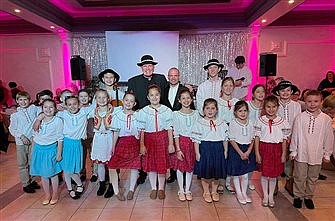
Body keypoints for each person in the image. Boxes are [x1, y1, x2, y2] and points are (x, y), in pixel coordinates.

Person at [127, 54, 168, 185]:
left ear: (153, 67)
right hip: (142, 119)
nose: (147, 68)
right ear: (141, 67)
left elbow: (167, 96)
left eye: (150, 65)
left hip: (158, 118)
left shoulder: (161, 79)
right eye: (145, 66)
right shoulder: (133, 81)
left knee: (161, 149)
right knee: (142, 148)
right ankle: (143, 173)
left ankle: (166, 173)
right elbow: (130, 100)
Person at [290, 90, 334, 209]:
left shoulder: (326, 119)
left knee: (313, 177)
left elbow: (329, 137)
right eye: (309, 101)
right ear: (305, 102)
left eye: (316, 101)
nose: (312, 104)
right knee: (299, 176)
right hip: (302, 153)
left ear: (321, 102)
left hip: (317, 154)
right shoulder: (300, 117)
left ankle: (308, 196)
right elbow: (295, 135)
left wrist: (327, 153)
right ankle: (298, 196)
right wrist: (293, 150)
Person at [137, 85, 174, 200]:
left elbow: (169, 128)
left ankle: (161, 188)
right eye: (151, 95)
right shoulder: (143, 111)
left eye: (156, 95)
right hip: (149, 140)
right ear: (148, 97)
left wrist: (171, 143)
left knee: (161, 165)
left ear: (160, 96)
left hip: (162, 139)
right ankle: (154, 187)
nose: (154, 97)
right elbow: (141, 130)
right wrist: (142, 145)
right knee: (152, 166)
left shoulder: (167, 110)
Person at [254, 95, 290, 208]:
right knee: (264, 175)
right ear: (264, 107)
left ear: (277, 107)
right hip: (264, 149)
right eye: (268, 107)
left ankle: (270, 196)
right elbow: (256, 138)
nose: (271, 109)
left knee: (273, 175)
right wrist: (257, 153)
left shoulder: (282, 122)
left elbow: (284, 139)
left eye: (274, 107)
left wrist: (284, 153)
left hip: (277, 150)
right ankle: (265, 195)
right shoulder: (260, 121)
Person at [56, 96, 94, 199]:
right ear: (66, 106)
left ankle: (79, 184)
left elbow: (94, 104)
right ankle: (70, 188)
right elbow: (49, 111)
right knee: (67, 169)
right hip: (65, 143)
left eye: (74, 104)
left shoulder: (83, 112)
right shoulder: (63, 114)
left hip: (77, 144)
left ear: (79, 104)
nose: (72, 106)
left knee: (73, 169)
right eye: (69, 104)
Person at [192, 98, 228, 203]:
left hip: (218, 149)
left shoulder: (221, 123)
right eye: (207, 108)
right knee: (205, 172)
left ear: (216, 110)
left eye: (213, 108)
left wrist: (225, 151)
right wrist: (197, 152)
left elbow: (225, 138)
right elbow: (196, 140)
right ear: (203, 110)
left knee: (216, 172)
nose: (210, 111)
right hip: (205, 149)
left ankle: (214, 191)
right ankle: (206, 191)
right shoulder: (199, 123)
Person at [107, 92, 141, 201]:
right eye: (126, 100)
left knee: (134, 166)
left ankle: (131, 189)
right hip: (122, 143)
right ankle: (116, 191)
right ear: (123, 100)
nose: (128, 103)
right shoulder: (118, 115)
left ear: (134, 103)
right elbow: (116, 133)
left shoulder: (138, 115)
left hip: (134, 143)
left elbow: (140, 132)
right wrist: (113, 147)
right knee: (112, 166)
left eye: (131, 101)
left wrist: (141, 144)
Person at [30, 99, 63, 205]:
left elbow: (60, 139)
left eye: (51, 107)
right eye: (45, 107)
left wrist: (58, 153)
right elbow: (34, 135)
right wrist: (32, 152)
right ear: (42, 108)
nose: (48, 109)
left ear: (55, 109)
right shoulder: (39, 120)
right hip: (39, 149)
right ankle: (47, 194)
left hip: (51, 149)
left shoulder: (57, 120)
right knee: (43, 175)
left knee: (52, 174)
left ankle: (55, 194)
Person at [161, 67, 190, 183]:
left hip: (181, 123)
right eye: (171, 75)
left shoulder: (184, 89)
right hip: (167, 123)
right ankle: (173, 173)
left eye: (175, 75)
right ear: (168, 77)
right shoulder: (163, 89)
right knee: (170, 148)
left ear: (179, 77)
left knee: (181, 148)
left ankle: (183, 172)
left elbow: (190, 106)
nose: (173, 77)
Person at [8, 91, 40, 193]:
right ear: (17, 101)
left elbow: (44, 107)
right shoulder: (15, 115)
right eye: (20, 100)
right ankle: (26, 184)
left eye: (25, 99)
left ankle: (33, 180)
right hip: (21, 142)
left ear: (29, 100)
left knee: (32, 161)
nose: (23, 102)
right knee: (23, 163)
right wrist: (21, 137)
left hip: (33, 140)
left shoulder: (33, 109)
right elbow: (12, 129)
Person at [171, 89, 198, 201]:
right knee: (180, 167)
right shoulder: (176, 114)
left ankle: (187, 190)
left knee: (190, 167)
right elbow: (176, 133)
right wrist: (178, 149)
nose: (186, 100)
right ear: (179, 100)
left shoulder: (196, 114)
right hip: (181, 143)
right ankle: (181, 190)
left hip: (192, 143)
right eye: (183, 98)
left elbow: (197, 131)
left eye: (188, 98)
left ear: (191, 99)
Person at [227, 101, 256, 204]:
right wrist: (240, 153)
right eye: (240, 111)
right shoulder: (233, 123)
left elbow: (253, 138)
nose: (243, 113)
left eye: (245, 111)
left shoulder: (251, 123)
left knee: (245, 175)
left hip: (247, 149)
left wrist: (248, 151)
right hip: (236, 150)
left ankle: (244, 193)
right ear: (235, 112)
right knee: (236, 173)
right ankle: (239, 193)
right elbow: (231, 139)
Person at [217, 77, 239, 193]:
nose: (228, 88)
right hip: (221, 133)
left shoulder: (237, 102)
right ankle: (220, 182)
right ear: (221, 87)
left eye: (231, 85)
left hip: (234, 133)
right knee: (222, 157)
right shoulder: (217, 102)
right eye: (226, 85)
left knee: (232, 157)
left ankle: (228, 182)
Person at [90, 89, 114, 196]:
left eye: (104, 97)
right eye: (99, 97)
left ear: (108, 99)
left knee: (111, 163)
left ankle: (113, 185)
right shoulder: (93, 111)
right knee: (100, 164)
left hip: (109, 137)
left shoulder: (114, 111)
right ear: (95, 99)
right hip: (99, 138)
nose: (102, 100)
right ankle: (102, 183)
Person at [247, 84, 266, 190]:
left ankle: (250, 180)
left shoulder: (266, 107)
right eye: (258, 92)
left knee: (253, 160)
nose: (260, 94)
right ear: (253, 94)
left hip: (260, 137)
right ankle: (229, 180)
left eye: (262, 92)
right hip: (247, 136)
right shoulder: (247, 105)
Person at [78, 89, 96, 182]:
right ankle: (82, 173)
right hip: (80, 136)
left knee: (93, 154)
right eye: (81, 96)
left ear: (89, 98)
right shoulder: (76, 109)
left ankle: (95, 173)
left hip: (92, 134)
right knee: (82, 155)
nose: (83, 98)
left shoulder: (93, 107)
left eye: (85, 96)